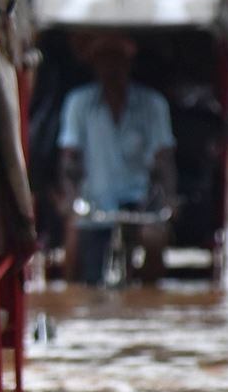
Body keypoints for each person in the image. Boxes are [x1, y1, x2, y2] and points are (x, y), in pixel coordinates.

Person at [57, 33, 176, 285]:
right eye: (104, 60)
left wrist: (167, 200)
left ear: (128, 63)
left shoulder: (153, 104)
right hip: (95, 204)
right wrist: (70, 198)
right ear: (95, 64)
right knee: (73, 249)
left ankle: (149, 298)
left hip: (140, 204)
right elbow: (69, 158)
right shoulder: (78, 103)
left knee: (154, 241)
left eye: (117, 59)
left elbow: (164, 158)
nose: (111, 67)